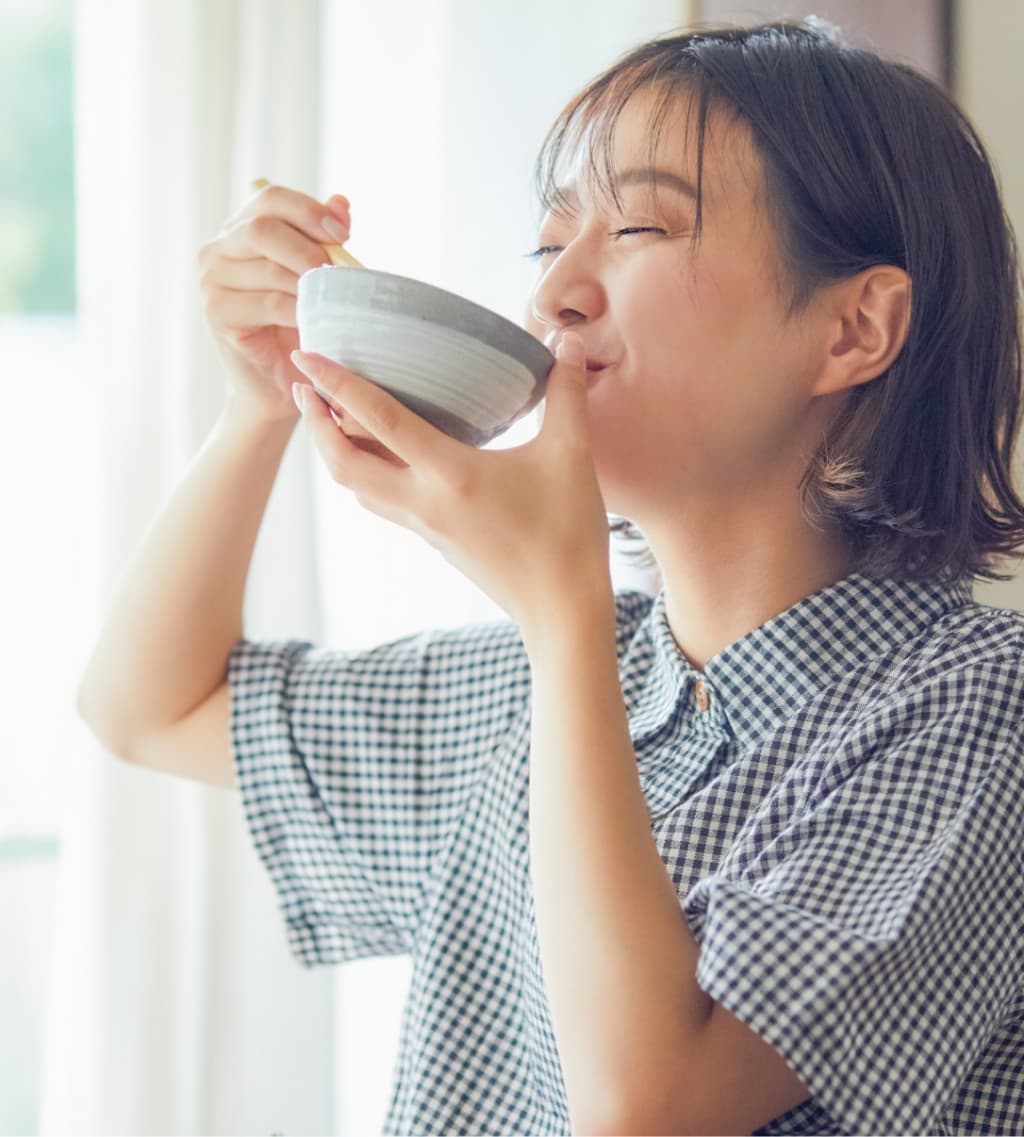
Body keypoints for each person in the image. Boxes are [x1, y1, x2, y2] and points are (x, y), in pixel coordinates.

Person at [77, 18, 1024, 1136]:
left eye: (639, 226)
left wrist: (557, 607)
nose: (555, 296)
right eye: (548, 244)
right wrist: (259, 405)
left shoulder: (980, 705)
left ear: (855, 327)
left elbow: (648, 1104)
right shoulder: (544, 679)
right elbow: (150, 705)